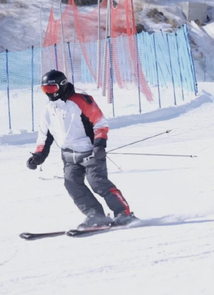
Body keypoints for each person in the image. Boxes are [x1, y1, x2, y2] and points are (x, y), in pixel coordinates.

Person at [26, 70, 136, 229]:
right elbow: (44, 135)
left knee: (97, 182)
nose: (49, 93)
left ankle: (123, 213)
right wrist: (38, 156)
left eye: (51, 89)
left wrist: (99, 145)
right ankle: (95, 215)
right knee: (72, 184)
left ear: (61, 86)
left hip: (90, 152)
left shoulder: (81, 101)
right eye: (45, 90)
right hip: (69, 156)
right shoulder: (48, 110)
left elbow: (100, 123)